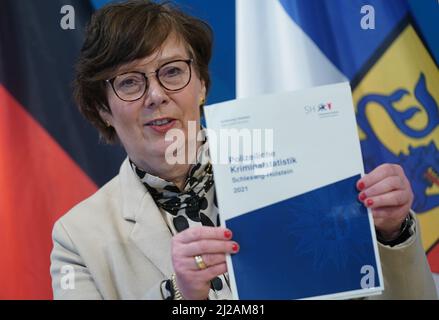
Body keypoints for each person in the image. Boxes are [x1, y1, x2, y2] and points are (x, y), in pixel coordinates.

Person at [50, 0, 437, 300]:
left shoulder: (298, 166)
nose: (156, 95)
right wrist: (179, 294)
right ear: (103, 108)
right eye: (130, 82)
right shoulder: (78, 239)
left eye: (172, 72)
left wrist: (391, 233)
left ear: (201, 84)